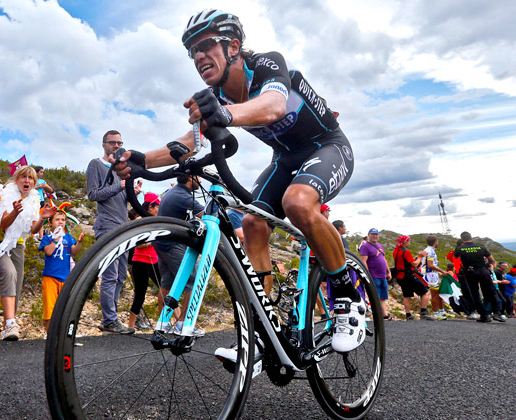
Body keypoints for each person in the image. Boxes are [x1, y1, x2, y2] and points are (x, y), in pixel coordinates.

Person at [112, 10, 363, 353]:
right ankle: (266, 333)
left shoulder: (266, 65)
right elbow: (191, 141)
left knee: (297, 202)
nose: (198, 56)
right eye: (192, 52)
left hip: (327, 146)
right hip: (286, 158)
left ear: (232, 46)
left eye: (205, 45)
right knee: (252, 223)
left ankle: (348, 300)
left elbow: (273, 105)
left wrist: (226, 115)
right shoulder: (217, 95)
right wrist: (141, 160)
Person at [0, 165, 55, 340]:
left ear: (34, 183)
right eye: (23, 177)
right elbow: (3, 224)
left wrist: (42, 218)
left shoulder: (33, 200)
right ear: (16, 179)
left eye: (31, 178)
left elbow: (33, 229)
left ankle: (8, 326)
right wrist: (14, 212)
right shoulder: (6, 194)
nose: (27, 181)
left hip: (18, 245)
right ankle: (11, 323)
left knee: (17, 284)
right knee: (9, 274)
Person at [87, 130, 141, 334]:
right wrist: (120, 185)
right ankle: (109, 319)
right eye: (113, 143)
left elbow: (119, 200)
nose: (117, 146)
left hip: (122, 226)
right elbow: (93, 194)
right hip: (107, 226)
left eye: (120, 143)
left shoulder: (122, 169)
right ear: (104, 145)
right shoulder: (96, 165)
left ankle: (112, 318)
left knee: (120, 275)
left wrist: (131, 192)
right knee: (110, 275)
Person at [154, 175, 205, 335]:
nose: (201, 181)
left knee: (166, 283)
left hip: (162, 243)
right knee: (193, 280)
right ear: (190, 178)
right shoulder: (182, 196)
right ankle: (183, 324)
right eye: (199, 178)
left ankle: (163, 323)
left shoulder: (173, 192)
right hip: (173, 244)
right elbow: (206, 214)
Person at [39, 210, 85, 332]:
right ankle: (49, 335)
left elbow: (74, 251)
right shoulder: (47, 238)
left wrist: (79, 242)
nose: (60, 222)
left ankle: (62, 335)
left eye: (63, 220)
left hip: (65, 278)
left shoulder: (68, 238)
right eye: (57, 220)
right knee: (50, 309)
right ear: (50, 223)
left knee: (65, 308)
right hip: (50, 277)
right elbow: (48, 251)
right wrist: (56, 239)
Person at [127, 193, 163, 331]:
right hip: (141, 261)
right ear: (150, 207)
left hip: (154, 260)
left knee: (166, 289)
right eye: (157, 206)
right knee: (140, 294)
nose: (158, 209)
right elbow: (137, 245)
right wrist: (154, 241)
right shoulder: (141, 220)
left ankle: (166, 323)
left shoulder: (156, 220)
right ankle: (130, 326)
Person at [454, 231, 505, 322]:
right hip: (482, 270)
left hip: (470, 272)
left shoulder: (459, 249)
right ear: (471, 237)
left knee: (475, 294)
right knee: (491, 291)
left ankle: (484, 315)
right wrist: (486, 266)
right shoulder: (481, 247)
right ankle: (497, 313)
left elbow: (456, 257)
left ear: (462, 239)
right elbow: (492, 260)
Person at [392, 235, 433, 320]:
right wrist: (420, 257)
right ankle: (423, 312)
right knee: (425, 292)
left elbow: (405, 261)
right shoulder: (406, 252)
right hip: (408, 276)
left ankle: (408, 314)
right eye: (408, 241)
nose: (409, 243)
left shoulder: (396, 251)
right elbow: (414, 264)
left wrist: (414, 259)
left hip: (400, 276)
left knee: (407, 296)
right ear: (405, 242)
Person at [359, 228, 391, 319]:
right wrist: (367, 274)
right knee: (375, 296)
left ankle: (384, 315)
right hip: (374, 275)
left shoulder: (379, 246)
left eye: (376, 234)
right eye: (372, 234)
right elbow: (364, 261)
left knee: (383, 297)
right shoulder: (365, 246)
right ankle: (376, 315)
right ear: (368, 235)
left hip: (382, 275)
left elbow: (384, 259)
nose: (375, 236)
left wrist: (388, 271)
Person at [421, 235, 448, 320]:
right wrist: (442, 271)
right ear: (435, 242)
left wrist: (438, 272)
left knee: (439, 293)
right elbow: (430, 265)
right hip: (430, 275)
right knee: (435, 294)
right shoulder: (430, 251)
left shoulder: (428, 250)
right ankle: (436, 313)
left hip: (433, 274)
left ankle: (441, 311)